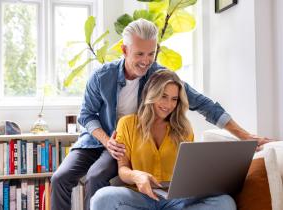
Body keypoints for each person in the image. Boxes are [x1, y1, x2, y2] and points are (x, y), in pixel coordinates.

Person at [51, 18, 269, 210]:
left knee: (96, 175)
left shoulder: (159, 76)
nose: (146, 61)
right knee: (60, 178)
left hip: (124, 142)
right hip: (98, 138)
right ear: (124, 50)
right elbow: (87, 115)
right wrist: (107, 141)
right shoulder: (101, 76)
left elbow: (203, 103)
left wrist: (244, 135)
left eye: (151, 53)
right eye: (139, 54)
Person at [90, 70, 236, 210]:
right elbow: (123, 169)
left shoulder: (184, 129)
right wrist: (137, 176)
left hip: (176, 200)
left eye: (174, 99)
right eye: (163, 96)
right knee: (102, 198)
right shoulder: (127, 124)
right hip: (139, 197)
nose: (168, 105)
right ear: (151, 95)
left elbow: (189, 172)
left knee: (225, 203)